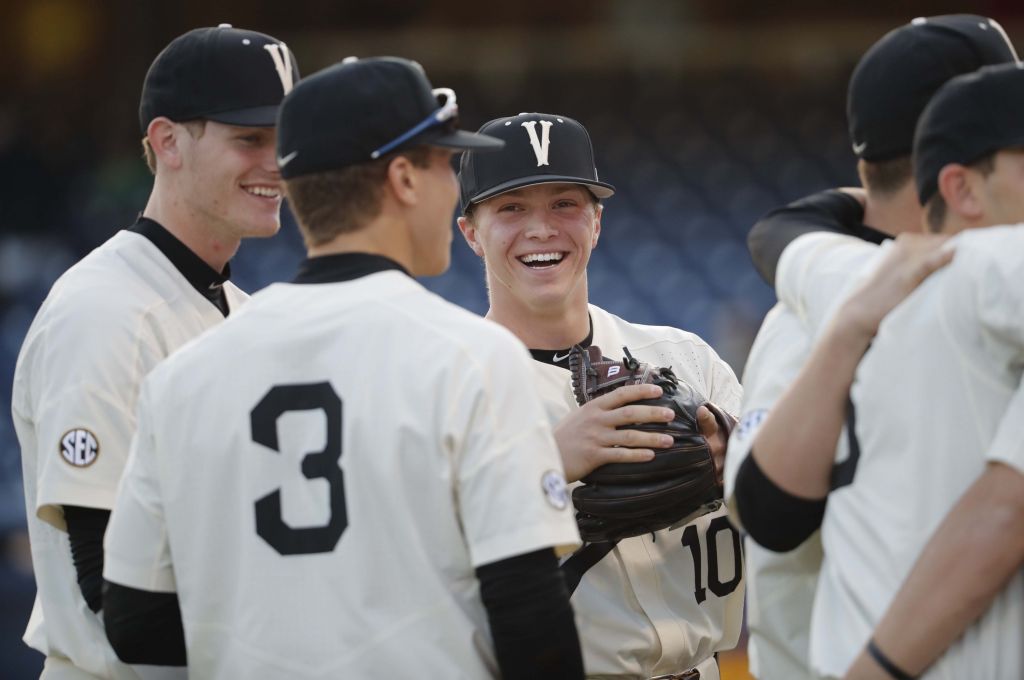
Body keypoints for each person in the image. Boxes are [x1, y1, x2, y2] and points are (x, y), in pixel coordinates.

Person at [101, 57, 585, 679]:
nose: (450, 187)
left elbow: (133, 622)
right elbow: (532, 621)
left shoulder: (183, 375)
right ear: (405, 178)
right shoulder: (472, 356)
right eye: (445, 163)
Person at [722, 15, 1018, 679]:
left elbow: (765, 513)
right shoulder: (809, 319)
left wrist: (798, 232)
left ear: (866, 163)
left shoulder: (809, 298)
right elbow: (770, 516)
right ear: (959, 172)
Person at [11, 24, 298, 679]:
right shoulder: (103, 312)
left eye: (287, 138)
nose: (277, 162)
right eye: (250, 138)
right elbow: (115, 599)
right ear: (168, 142)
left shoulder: (241, 312)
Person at [457, 112, 742, 679]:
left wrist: (741, 454)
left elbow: (789, 504)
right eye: (511, 207)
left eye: (565, 203)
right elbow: (411, 559)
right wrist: (546, 466)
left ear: (597, 222)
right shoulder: (449, 385)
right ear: (471, 232)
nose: (542, 229)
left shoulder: (688, 358)